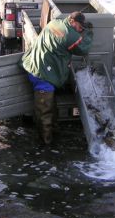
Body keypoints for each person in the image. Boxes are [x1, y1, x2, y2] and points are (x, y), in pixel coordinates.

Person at [21, 11, 93, 145]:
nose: (80, 29)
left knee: (50, 106)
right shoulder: (69, 36)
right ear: (71, 21)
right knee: (45, 111)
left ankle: (53, 134)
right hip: (43, 75)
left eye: (82, 28)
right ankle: (45, 145)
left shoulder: (54, 23)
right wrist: (88, 33)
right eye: (79, 26)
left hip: (34, 63)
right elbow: (83, 49)